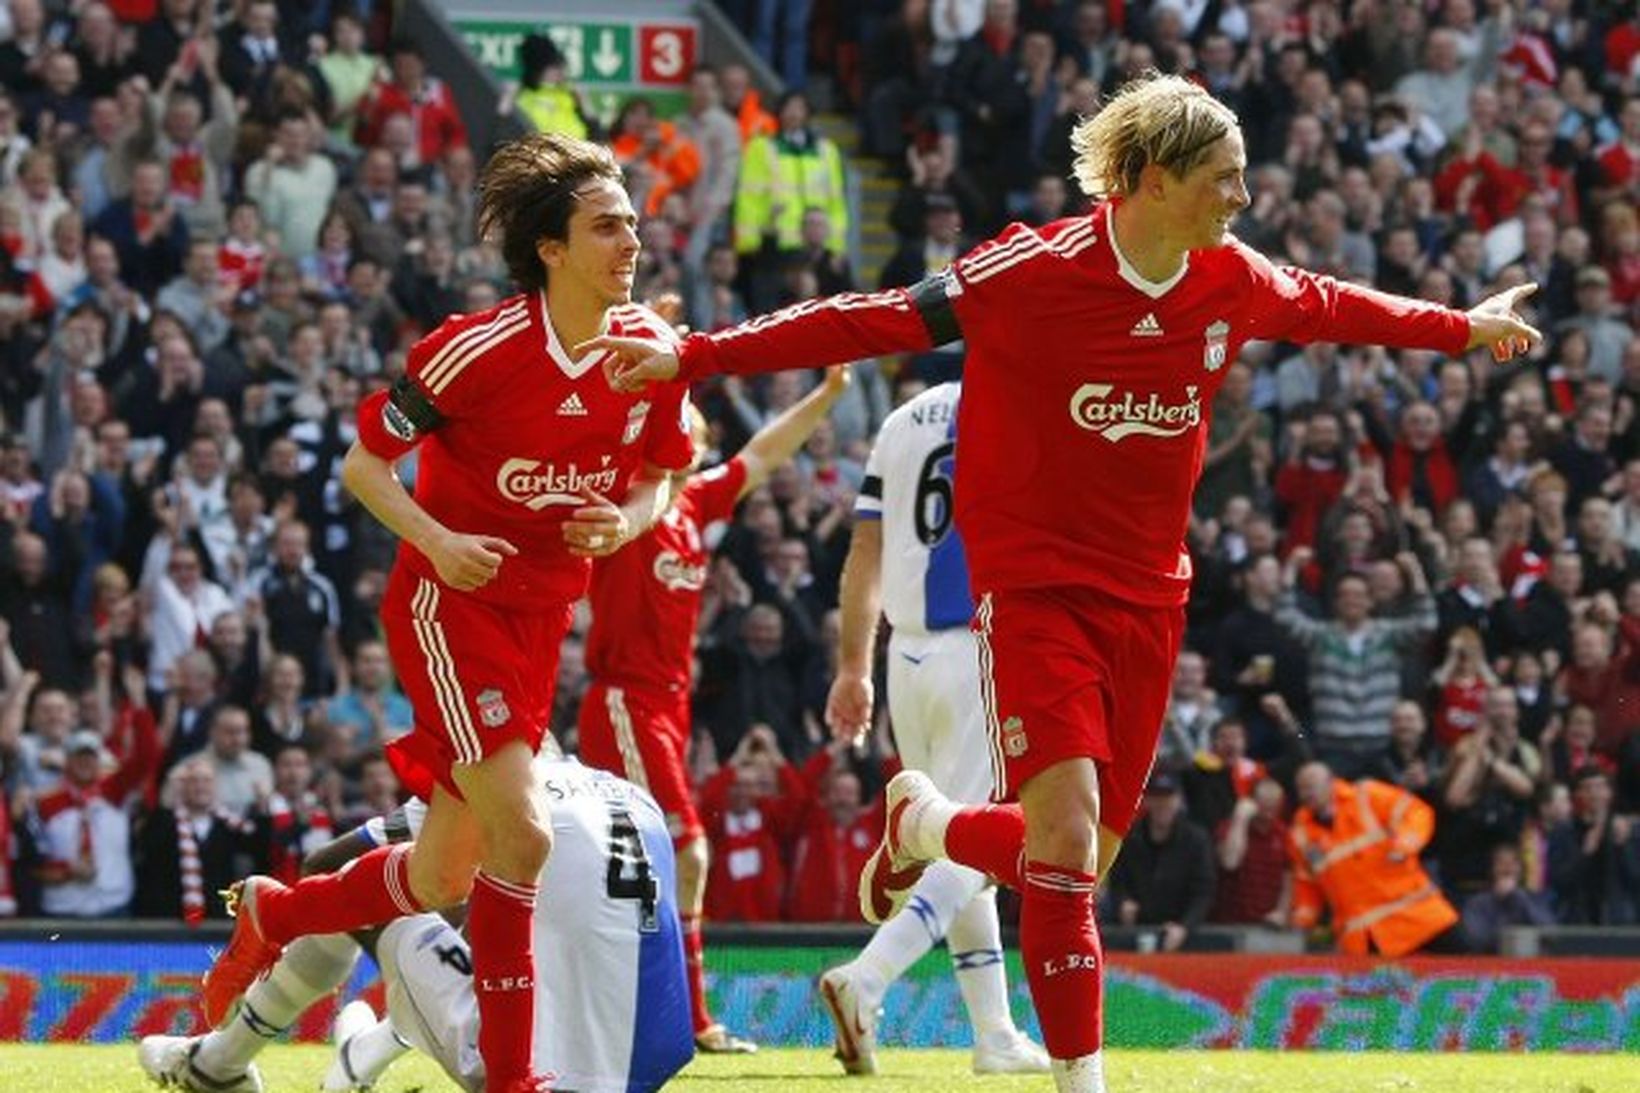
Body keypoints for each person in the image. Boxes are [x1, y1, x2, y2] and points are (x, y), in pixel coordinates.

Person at [586, 72, 1540, 1093]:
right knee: (1064, 835)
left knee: (1074, 866)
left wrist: (1460, 324)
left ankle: (926, 825)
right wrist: (693, 355)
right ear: (1148, 178)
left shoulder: (1230, 278)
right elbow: (868, 319)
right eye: (1222, 178)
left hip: (1150, 597)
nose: (1240, 198)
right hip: (1032, 586)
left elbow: (1337, 306)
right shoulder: (1027, 269)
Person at [199, 133, 696, 1093]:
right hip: (449, 606)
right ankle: (512, 1078)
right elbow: (363, 468)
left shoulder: (651, 356)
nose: (629, 241)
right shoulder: (475, 350)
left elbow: (665, 477)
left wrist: (623, 521)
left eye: (632, 222)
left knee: (440, 878)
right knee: (526, 835)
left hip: (543, 622)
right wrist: (437, 540)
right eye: (606, 226)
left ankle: (276, 914)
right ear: (550, 248)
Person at [577, 362, 849, 1053]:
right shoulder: (624, 503)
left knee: (650, 862)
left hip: (671, 707)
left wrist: (826, 396)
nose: (696, 440)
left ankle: (671, 1016)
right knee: (685, 850)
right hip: (624, 701)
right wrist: (650, 370)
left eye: (697, 431)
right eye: (685, 428)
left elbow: (763, 455)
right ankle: (683, 1016)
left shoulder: (695, 503)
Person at [139, 755, 693, 1093]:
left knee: (373, 892)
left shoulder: (488, 778)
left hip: (546, 1076)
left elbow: (324, 866)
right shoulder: (630, 795)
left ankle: (218, 1062)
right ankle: (370, 1044)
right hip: (652, 1063)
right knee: (510, 931)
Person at [817, 380, 1048, 1076]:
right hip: (979, 645)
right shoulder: (1026, 401)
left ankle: (995, 1034)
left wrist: (853, 665)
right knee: (975, 841)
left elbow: (864, 550)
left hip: (906, 658)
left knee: (947, 833)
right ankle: (867, 975)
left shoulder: (902, 418)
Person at [1288, 760, 1465, 956]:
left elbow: (1416, 812)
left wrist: (1406, 843)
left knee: (1470, 972)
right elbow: (1307, 882)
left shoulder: (1366, 796)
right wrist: (1303, 919)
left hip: (1418, 917)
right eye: (1301, 789)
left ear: (1331, 782)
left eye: (1312, 785)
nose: (1307, 793)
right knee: (1381, 986)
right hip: (1364, 938)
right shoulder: (1301, 832)